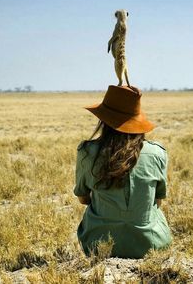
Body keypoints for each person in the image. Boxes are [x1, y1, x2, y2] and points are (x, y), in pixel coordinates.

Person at [73, 85, 171, 258]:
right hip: (150, 246)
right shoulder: (157, 153)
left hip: (98, 244)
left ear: (103, 120)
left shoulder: (87, 152)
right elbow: (158, 200)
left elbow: (83, 199)